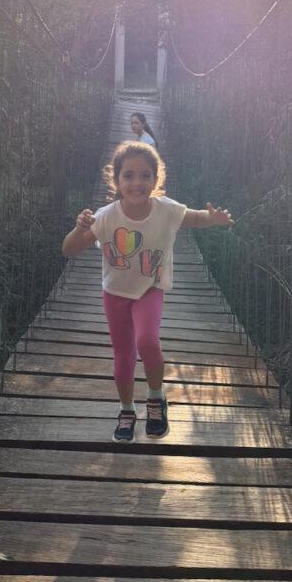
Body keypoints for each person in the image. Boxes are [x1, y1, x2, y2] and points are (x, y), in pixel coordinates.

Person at [62, 141, 233, 442]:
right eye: (128, 175)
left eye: (144, 175)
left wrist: (214, 219)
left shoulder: (166, 210)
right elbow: (69, 250)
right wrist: (78, 228)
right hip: (114, 293)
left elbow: (193, 217)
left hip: (149, 289)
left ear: (156, 179)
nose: (136, 182)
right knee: (123, 356)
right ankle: (127, 409)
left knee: (147, 341)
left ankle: (156, 398)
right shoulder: (104, 216)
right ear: (116, 181)